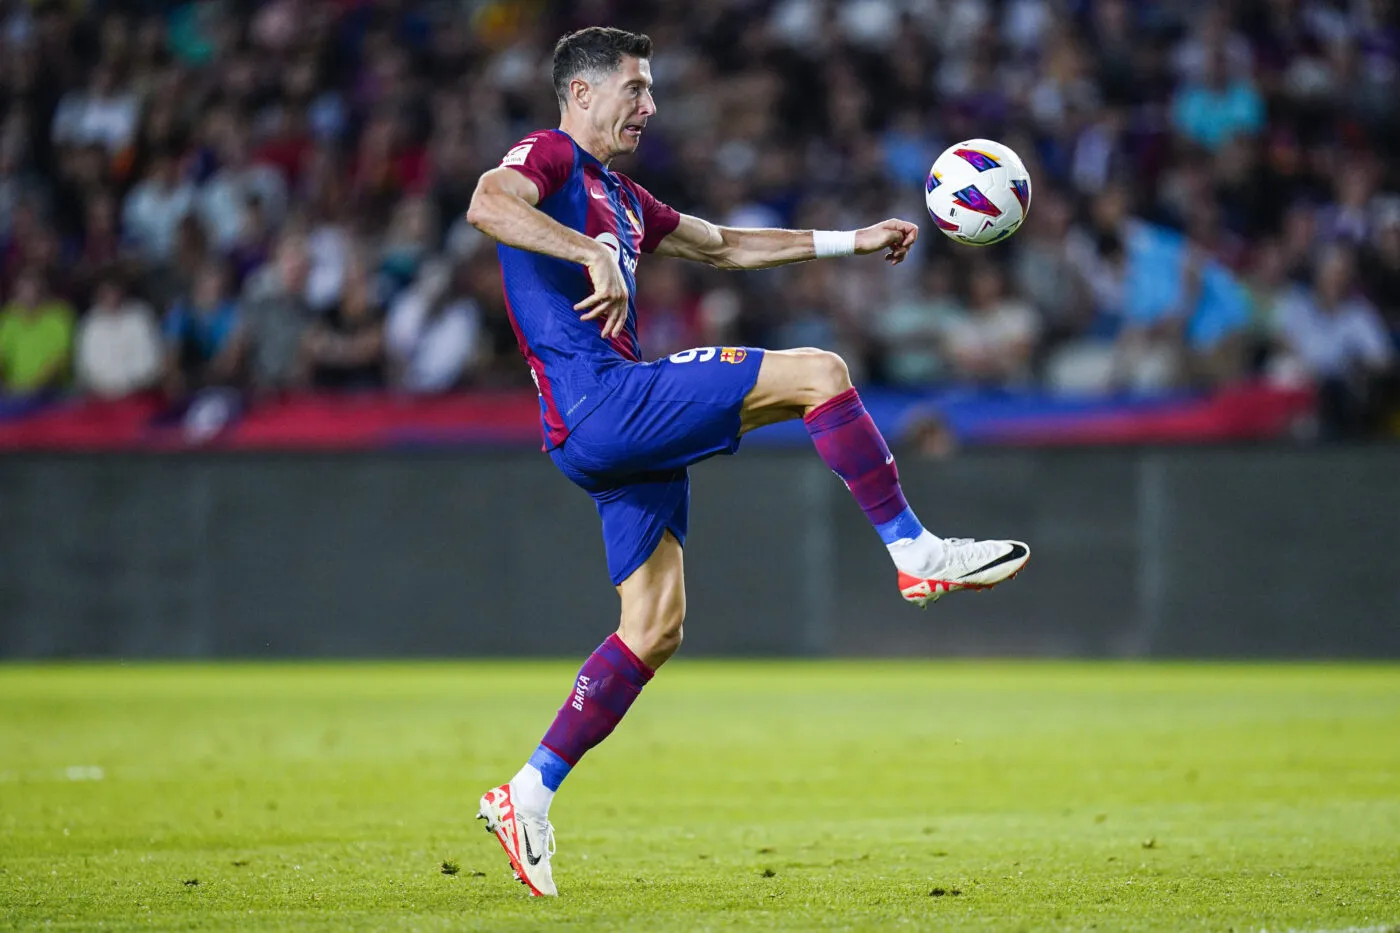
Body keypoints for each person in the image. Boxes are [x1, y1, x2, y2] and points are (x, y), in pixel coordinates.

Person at [464, 27, 1029, 898]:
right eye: (635, 88)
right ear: (580, 94)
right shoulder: (549, 158)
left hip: (598, 429)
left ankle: (527, 791)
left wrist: (852, 241)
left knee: (653, 627)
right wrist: (585, 252)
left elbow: (724, 244)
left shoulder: (621, 194)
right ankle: (914, 553)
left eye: (650, 89)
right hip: (603, 404)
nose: (649, 105)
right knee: (820, 372)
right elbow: (486, 202)